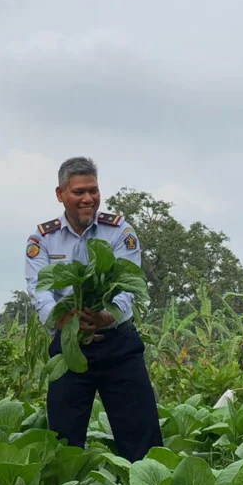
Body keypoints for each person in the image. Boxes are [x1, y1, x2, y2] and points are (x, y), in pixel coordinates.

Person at [24, 157, 163, 461]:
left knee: (142, 437)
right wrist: (63, 319)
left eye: (93, 191)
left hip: (118, 344)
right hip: (70, 346)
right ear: (60, 194)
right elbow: (40, 290)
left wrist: (105, 316)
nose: (88, 199)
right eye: (78, 192)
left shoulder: (119, 231)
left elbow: (129, 284)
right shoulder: (42, 239)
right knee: (64, 441)